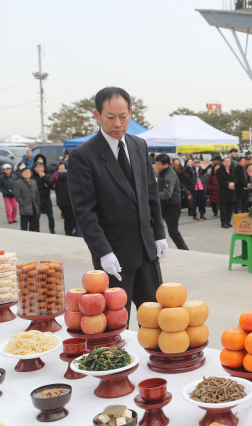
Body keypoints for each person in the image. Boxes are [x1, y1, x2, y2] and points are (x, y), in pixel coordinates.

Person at [68, 87, 167, 317]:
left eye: (123, 117)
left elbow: (150, 193)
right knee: (117, 323)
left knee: (154, 319)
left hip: (146, 250)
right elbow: (84, 212)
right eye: (110, 117)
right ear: (97, 115)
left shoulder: (139, 145)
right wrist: (103, 252)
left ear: (131, 112)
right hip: (114, 256)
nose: (118, 124)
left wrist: (160, 234)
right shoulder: (84, 156)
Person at [155, 154, 188, 251]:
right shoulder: (162, 172)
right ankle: (156, 249)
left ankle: (184, 250)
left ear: (166, 165)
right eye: (156, 164)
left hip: (172, 207)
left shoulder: (169, 175)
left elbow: (167, 193)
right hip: (162, 205)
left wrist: (152, 196)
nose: (157, 166)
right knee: (155, 228)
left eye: (158, 165)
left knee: (173, 232)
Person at [52, 162, 76, 236]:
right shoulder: (70, 180)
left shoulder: (59, 180)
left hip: (61, 203)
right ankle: (69, 232)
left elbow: (56, 190)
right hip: (69, 203)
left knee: (66, 218)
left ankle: (67, 232)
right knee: (70, 219)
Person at [31, 161, 54, 233]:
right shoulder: (32, 177)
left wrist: (43, 177)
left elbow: (51, 184)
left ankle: (52, 231)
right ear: (34, 168)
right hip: (37, 199)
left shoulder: (46, 175)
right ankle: (37, 230)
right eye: (38, 167)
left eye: (41, 167)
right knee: (37, 216)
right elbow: (35, 188)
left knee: (50, 216)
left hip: (47, 198)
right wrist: (44, 185)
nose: (40, 168)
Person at [13, 167, 39, 232]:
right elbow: (17, 195)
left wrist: (38, 203)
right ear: (22, 173)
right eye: (25, 172)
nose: (27, 173)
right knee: (24, 227)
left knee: (33, 226)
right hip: (25, 207)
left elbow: (37, 193)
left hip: (34, 206)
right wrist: (22, 203)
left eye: (28, 172)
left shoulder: (33, 182)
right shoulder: (18, 183)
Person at [216, 156, 237, 228]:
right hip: (224, 192)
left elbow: (235, 178)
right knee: (223, 209)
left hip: (231, 192)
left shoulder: (232, 169)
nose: (228, 163)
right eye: (227, 161)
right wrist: (228, 184)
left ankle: (228, 221)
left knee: (230, 209)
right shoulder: (219, 170)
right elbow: (220, 180)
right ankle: (224, 222)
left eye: (229, 161)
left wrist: (233, 183)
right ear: (223, 162)